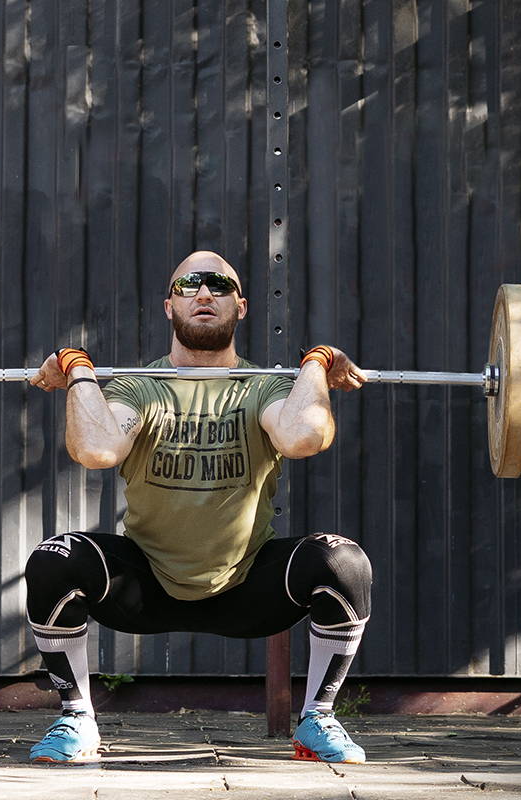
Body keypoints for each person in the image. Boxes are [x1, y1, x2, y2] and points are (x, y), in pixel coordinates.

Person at [24, 250, 373, 764]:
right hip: (146, 588)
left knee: (342, 561)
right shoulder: (140, 387)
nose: (205, 294)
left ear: (241, 306)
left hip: (248, 587)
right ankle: (77, 720)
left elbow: (303, 435)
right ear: (170, 306)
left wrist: (316, 363)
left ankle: (317, 720)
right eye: (189, 284)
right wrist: (76, 368)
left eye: (219, 285)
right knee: (55, 559)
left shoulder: (263, 387)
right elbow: (97, 450)